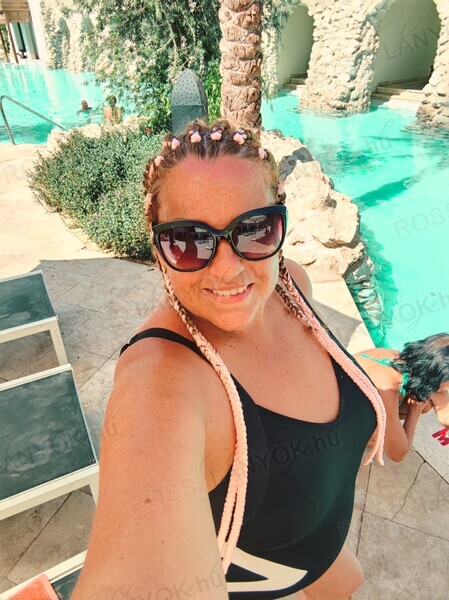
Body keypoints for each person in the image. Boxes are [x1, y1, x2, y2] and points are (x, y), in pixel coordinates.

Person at [72, 119, 387, 600]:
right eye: (188, 240)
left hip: (320, 551)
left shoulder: (292, 286)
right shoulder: (162, 380)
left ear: (280, 223)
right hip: (267, 574)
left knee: (350, 581)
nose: (228, 269)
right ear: (157, 248)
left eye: (255, 229)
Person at [354, 333, 449, 462]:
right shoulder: (388, 388)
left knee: (426, 403)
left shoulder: (399, 358)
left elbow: (445, 413)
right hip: (337, 422)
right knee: (379, 438)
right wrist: (414, 412)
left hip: (354, 398)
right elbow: (397, 454)